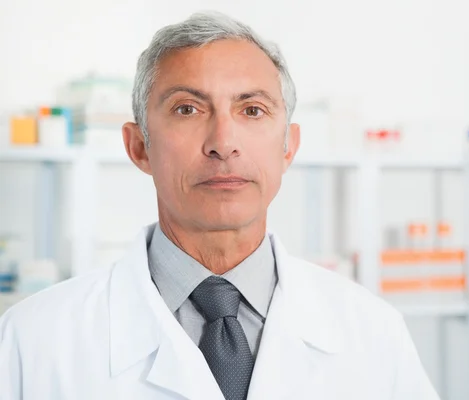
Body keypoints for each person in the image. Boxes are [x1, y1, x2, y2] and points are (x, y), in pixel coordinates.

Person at [0, 11, 439, 400]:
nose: (223, 144)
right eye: (188, 109)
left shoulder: (374, 333)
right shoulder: (34, 341)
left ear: (289, 148)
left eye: (251, 110)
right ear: (139, 148)